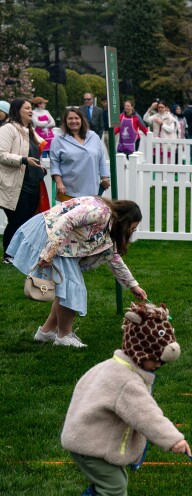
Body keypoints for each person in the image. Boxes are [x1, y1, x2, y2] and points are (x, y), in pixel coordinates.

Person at [55, 301, 189, 496]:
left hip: (89, 434)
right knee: (113, 486)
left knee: (117, 480)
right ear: (140, 350)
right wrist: (174, 439)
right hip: (88, 442)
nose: (158, 366)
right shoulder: (127, 382)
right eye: (155, 361)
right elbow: (147, 416)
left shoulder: (115, 365)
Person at [6, 196, 147, 347]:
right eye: (133, 227)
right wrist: (49, 253)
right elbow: (66, 220)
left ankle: (46, 332)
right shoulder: (101, 212)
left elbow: (115, 259)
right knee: (74, 288)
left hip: (60, 244)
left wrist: (133, 286)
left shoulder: (108, 229)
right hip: (51, 236)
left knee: (68, 289)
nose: (132, 231)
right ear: (126, 219)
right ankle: (64, 336)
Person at [1, 98, 47, 262]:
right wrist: (23, 160)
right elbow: (1, 154)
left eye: (31, 108)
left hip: (33, 183)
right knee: (17, 220)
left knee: (27, 221)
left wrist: (39, 167)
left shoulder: (30, 131)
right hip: (15, 185)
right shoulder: (8, 129)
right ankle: (8, 256)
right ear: (17, 110)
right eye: (27, 108)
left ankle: (21, 255)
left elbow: (35, 155)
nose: (31, 110)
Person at [50, 107, 109, 201]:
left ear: (82, 120)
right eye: (70, 118)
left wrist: (105, 177)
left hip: (92, 191)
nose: (74, 121)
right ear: (65, 121)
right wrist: (59, 183)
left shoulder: (94, 137)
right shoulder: (58, 140)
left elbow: (101, 158)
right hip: (68, 191)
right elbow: (54, 164)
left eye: (76, 118)